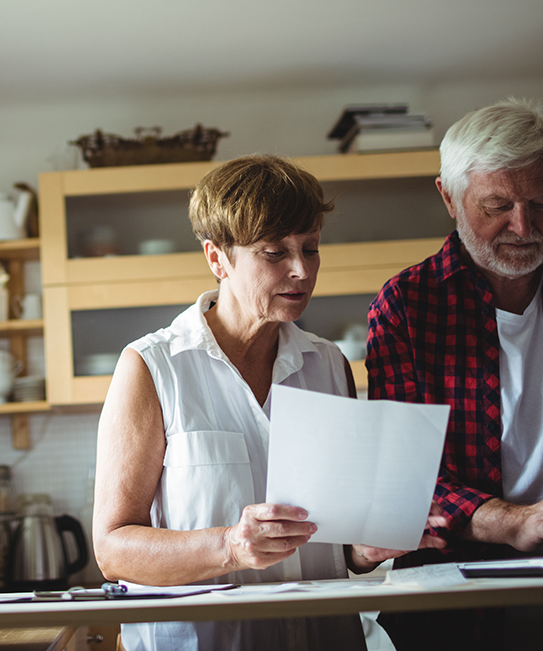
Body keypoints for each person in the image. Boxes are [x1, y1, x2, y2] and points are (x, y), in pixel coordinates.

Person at [93, 154, 447, 651]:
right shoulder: (153, 368)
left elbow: (340, 544)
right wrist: (229, 547)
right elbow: (113, 547)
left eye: (311, 248)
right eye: (275, 253)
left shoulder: (329, 365)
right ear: (217, 257)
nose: (302, 270)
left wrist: (366, 550)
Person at [365, 98, 543, 650]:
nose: (524, 227)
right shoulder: (407, 304)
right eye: (497, 205)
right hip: (457, 600)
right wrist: (512, 521)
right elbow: (402, 477)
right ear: (449, 197)